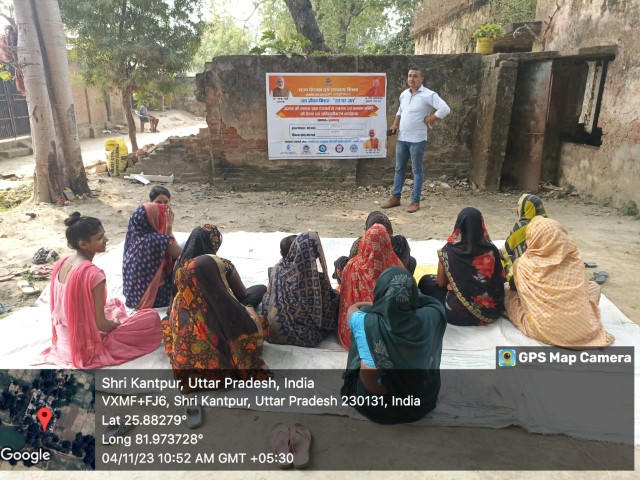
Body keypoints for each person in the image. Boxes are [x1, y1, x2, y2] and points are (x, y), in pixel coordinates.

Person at [39, 213, 161, 368]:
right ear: (83, 244)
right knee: (151, 317)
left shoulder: (63, 262)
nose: (106, 240)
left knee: (113, 303)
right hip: (83, 349)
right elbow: (101, 325)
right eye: (100, 238)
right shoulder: (94, 274)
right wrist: (116, 324)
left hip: (64, 345)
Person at [341, 267, 446, 424]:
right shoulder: (432, 315)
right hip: (420, 401)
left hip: (375, 404)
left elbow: (352, 310)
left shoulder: (365, 320)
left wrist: (374, 305)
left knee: (365, 334)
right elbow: (434, 303)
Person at [162, 254, 269, 391]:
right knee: (259, 321)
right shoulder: (219, 301)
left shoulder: (181, 298)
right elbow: (247, 325)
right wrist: (249, 310)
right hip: (218, 371)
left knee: (166, 322)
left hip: (186, 372)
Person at [504, 216, 614, 348]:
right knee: (594, 287)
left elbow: (514, 288)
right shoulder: (575, 258)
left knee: (507, 292)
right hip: (583, 331)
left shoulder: (524, 263)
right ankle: (576, 318)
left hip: (544, 332)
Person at [418, 207, 504, 326]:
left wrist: (454, 284)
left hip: (458, 314)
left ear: (459, 225)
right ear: (481, 225)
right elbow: (499, 279)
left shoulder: (449, 249)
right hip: (490, 311)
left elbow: (441, 283)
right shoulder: (492, 251)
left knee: (425, 281)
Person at [382, 67, 450, 213]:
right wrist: (395, 124)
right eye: (409, 76)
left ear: (421, 79)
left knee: (417, 170)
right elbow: (400, 111)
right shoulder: (404, 94)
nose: (411, 79)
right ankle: (395, 197)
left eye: (415, 76)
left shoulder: (429, 94)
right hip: (402, 138)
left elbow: (445, 109)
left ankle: (415, 201)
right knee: (399, 169)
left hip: (418, 140)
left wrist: (431, 118)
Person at [262, 232, 339, 347]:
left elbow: (269, 290)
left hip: (280, 327)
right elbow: (327, 301)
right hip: (311, 332)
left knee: (266, 297)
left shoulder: (276, 270)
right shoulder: (317, 276)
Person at [338, 224, 405, 349]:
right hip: (390, 335)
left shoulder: (351, 267)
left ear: (364, 243)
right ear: (387, 244)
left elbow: (345, 301)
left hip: (357, 332)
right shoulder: (397, 269)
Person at [174, 225, 266, 310]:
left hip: (186, 310)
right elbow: (242, 294)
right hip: (216, 312)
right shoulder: (223, 264)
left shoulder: (180, 262)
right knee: (260, 289)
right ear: (215, 243)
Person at [123, 203, 182, 309]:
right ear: (152, 220)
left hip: (133, 296)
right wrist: (169, 227)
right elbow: (180, 253)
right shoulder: (155, 240)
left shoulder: (133, 236)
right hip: (153, 298)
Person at [501, 193, 548, 282]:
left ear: (525, 208)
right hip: (547, 266)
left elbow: (507, 250)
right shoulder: (549, 224)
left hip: (528, 268)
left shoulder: (520, 227)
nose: (517, 209)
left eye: (519, 206)